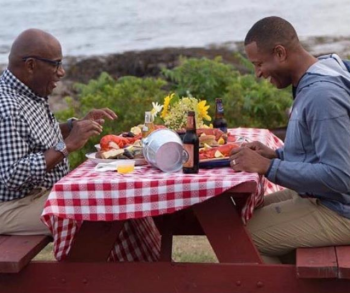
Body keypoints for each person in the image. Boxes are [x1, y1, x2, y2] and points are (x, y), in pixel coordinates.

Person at [230, 16, 350, 263]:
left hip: (340, 208)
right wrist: (276, 155)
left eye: (259, 63)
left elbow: (341, 176)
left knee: (240, 239)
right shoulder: (317, 73)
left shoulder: (321, 95)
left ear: (280, 53)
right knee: (246, 214)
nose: (258, 73)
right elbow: (324, 150)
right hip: (329, 198)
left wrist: (268, 167)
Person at [0, 29, 117, 235]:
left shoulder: (28, 92)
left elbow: (36, 138)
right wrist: (67, 146)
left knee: (111, 194)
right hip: (11, 207)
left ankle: (143, 264)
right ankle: (117, 267)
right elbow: (12, 175)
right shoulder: (7, 106)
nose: (61, 72)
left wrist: (74, 127)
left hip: (37, 196)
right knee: (102, 211)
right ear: (31, 65)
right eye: (56, 64)